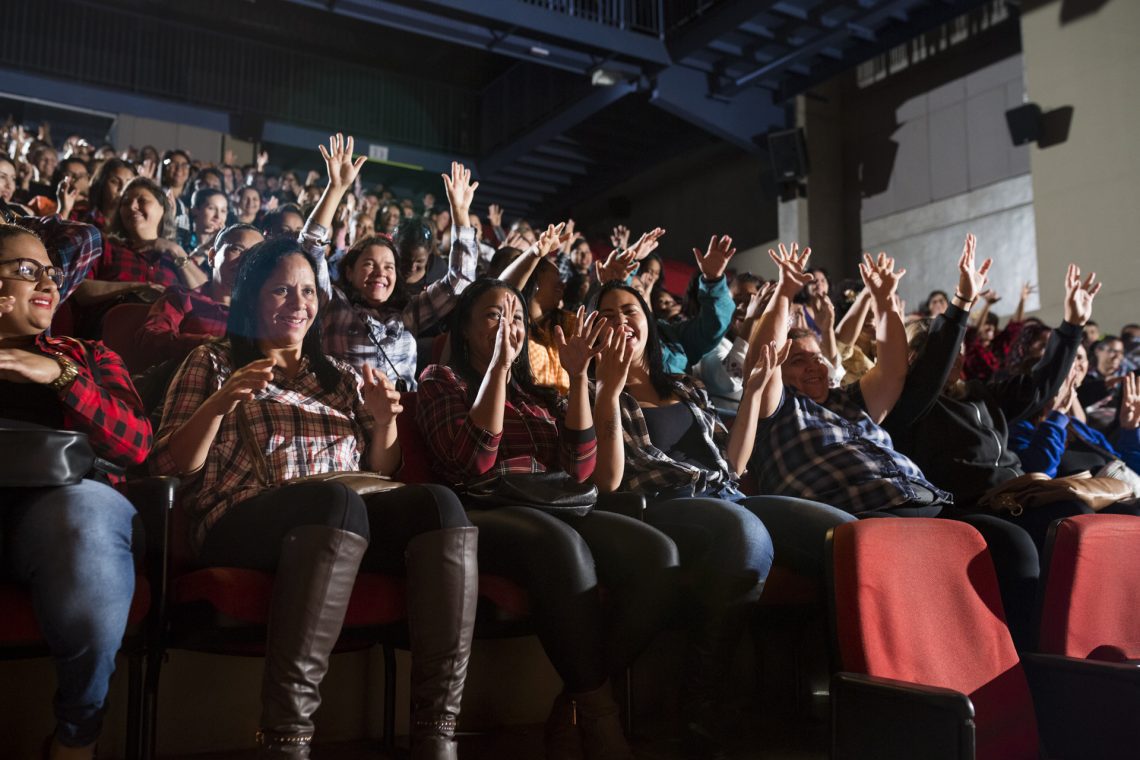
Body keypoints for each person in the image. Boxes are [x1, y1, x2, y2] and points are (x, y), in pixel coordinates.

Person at [151, 237, 477, 759]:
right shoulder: (211, 362)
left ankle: (437, 734)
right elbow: (169, 466)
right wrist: (219, 404)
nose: (299, 303)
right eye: (282, 290)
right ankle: (286, 741)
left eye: (307, 290)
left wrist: (386, 421)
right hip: (240, 517)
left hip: (342, 519)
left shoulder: (340, 378)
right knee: (337, 503)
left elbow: (382, 471)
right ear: (253, 298)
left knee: (438, 504)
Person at [417, 278, 679, 760]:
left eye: (516, 317)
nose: (508, 327)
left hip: (555, 508)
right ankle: (602, 720)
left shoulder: (537, 392)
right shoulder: (441, 380)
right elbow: (473, 461)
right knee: (561, 546)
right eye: (494, 316)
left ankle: (575, 702)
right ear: (466, 329)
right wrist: (497, 367)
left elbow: (581, 469)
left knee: (656, 555)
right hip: (484, 512)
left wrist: (579, 377)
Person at [588, 280, 827, 755]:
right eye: (607, 314)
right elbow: (609, 481)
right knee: (746, 533)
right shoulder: (591, 391)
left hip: (725, 495)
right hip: (662, 507)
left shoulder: (684, 385)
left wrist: (755, 391)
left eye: (630, 311)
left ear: (647, 324)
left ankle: (862, 690)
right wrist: (606, 389)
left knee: (840, 535)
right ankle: (700, 704)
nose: (621, 321)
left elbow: (734, 465)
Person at [0, 223, 151, 760]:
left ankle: (76, 736)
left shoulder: (87, 355)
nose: (45, 280)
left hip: (56, 504)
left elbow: (136, 443)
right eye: (24, 270)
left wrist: (60, 376)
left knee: (87, 515)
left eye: (50, 271)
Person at [307, 136, 477, 388]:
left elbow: (461, 282)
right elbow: (310, 249)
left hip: (400, 419)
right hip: (347, 417)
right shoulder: (332, 304)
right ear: (350, 270)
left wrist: (461, 214)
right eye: (369, 264)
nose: (380, 273)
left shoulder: (407, 315)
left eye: (389, 266)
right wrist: (336, 188)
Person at [136, 223, 264, 364]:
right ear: (212, 256)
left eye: (254, 256)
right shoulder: (182, 297)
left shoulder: (261, 312)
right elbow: (149, 338)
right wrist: (209, 343)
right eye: (237, 249)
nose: (245, 260)